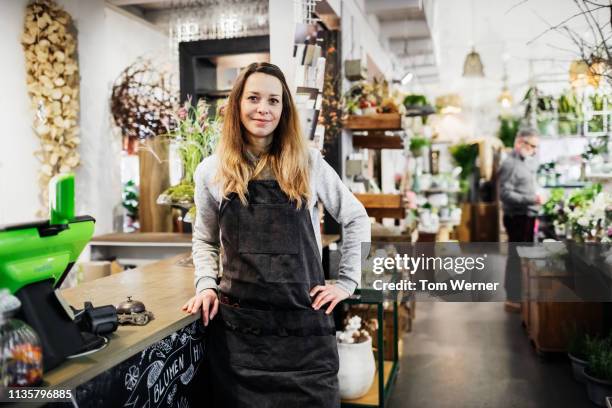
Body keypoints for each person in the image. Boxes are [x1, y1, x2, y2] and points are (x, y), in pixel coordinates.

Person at [182, 62, 370, 407]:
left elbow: (357, 217)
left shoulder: (308, 163)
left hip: (304, 338)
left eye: (273, 100)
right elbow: (205, 238)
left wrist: (347, 282)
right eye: (253, 98)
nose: (263, 109)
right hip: (241, 340)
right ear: (238, 104)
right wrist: (205, 284)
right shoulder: (211, 171)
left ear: (284, 109)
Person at [498, 128, 542, 312]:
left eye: (536, 147)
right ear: (519, 143)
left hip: (525, 215)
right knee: (517, 257)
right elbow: (505, 194)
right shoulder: (510, 164)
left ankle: (519, 295)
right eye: (531, 145)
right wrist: (531, 199)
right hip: (517, 217)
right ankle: (513, 298)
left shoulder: (523, 162)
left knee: (522, 257)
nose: (534, 150)